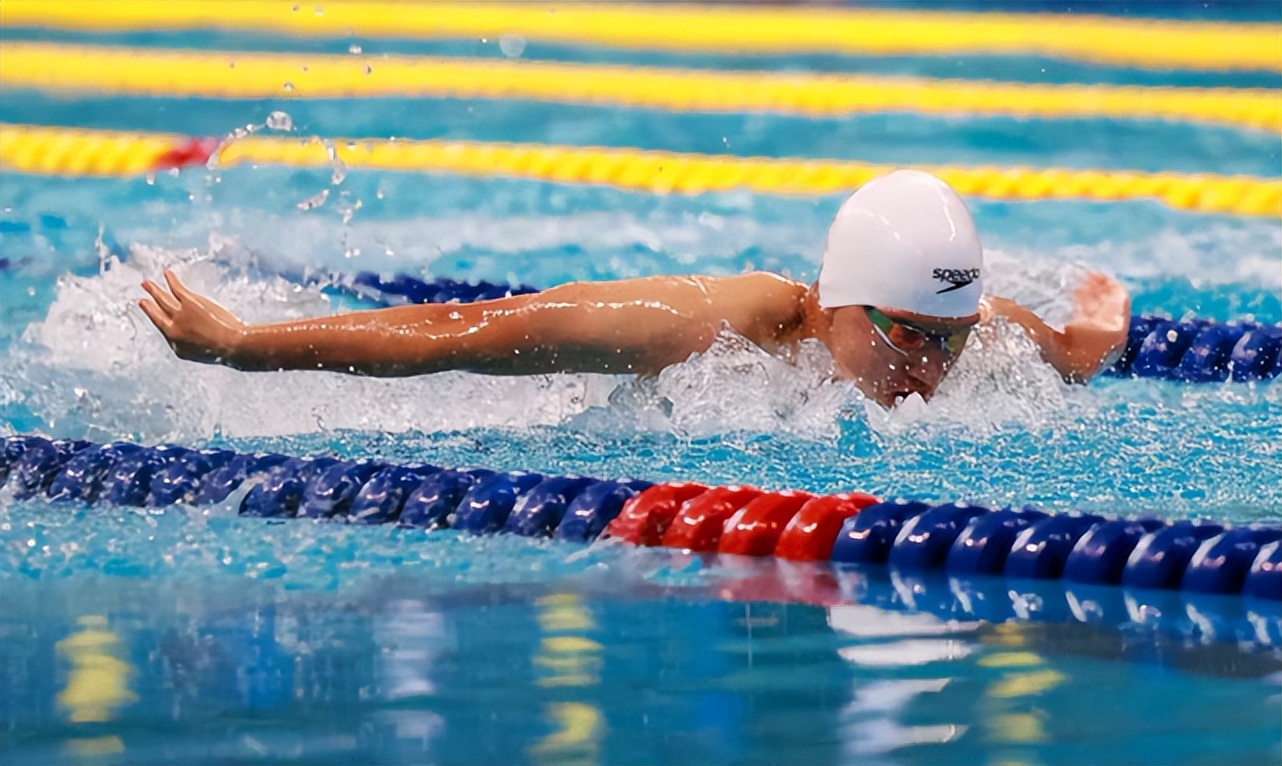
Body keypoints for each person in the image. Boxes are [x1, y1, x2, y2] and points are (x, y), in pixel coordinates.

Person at [138, 169, 1130, 409]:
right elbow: (468, 329)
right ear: (833, 302)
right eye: (909, 334)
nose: (931, 366)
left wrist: (1098, 327)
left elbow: (1070, 355)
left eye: (947, 340)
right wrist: (243, 345)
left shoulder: (968, 330)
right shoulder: (697, 325)